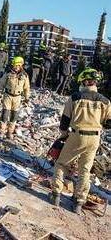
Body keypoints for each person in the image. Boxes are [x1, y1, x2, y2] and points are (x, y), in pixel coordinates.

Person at [50, 68, 111, 214]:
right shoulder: (105, 101)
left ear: (84, 81)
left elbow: (64, 121)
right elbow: (109, 123)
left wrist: (64, 136)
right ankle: (78, 202)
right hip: (94, 138)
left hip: (77, 135)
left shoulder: (75, 97)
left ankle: (56, 195)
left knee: (61, 163)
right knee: (85, 170)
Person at [0, 56, 30, 139]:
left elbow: (27, 88)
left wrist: (27, 98)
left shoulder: (25, 75)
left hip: (17, 97)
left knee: (14, 116)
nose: (15, 67)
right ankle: (1, 132)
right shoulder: (8, 73)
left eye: (17, 65)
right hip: (8, 95)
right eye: (14, 65)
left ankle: (9, 132)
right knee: (5, 114)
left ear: (21, 65)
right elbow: (1, 84)